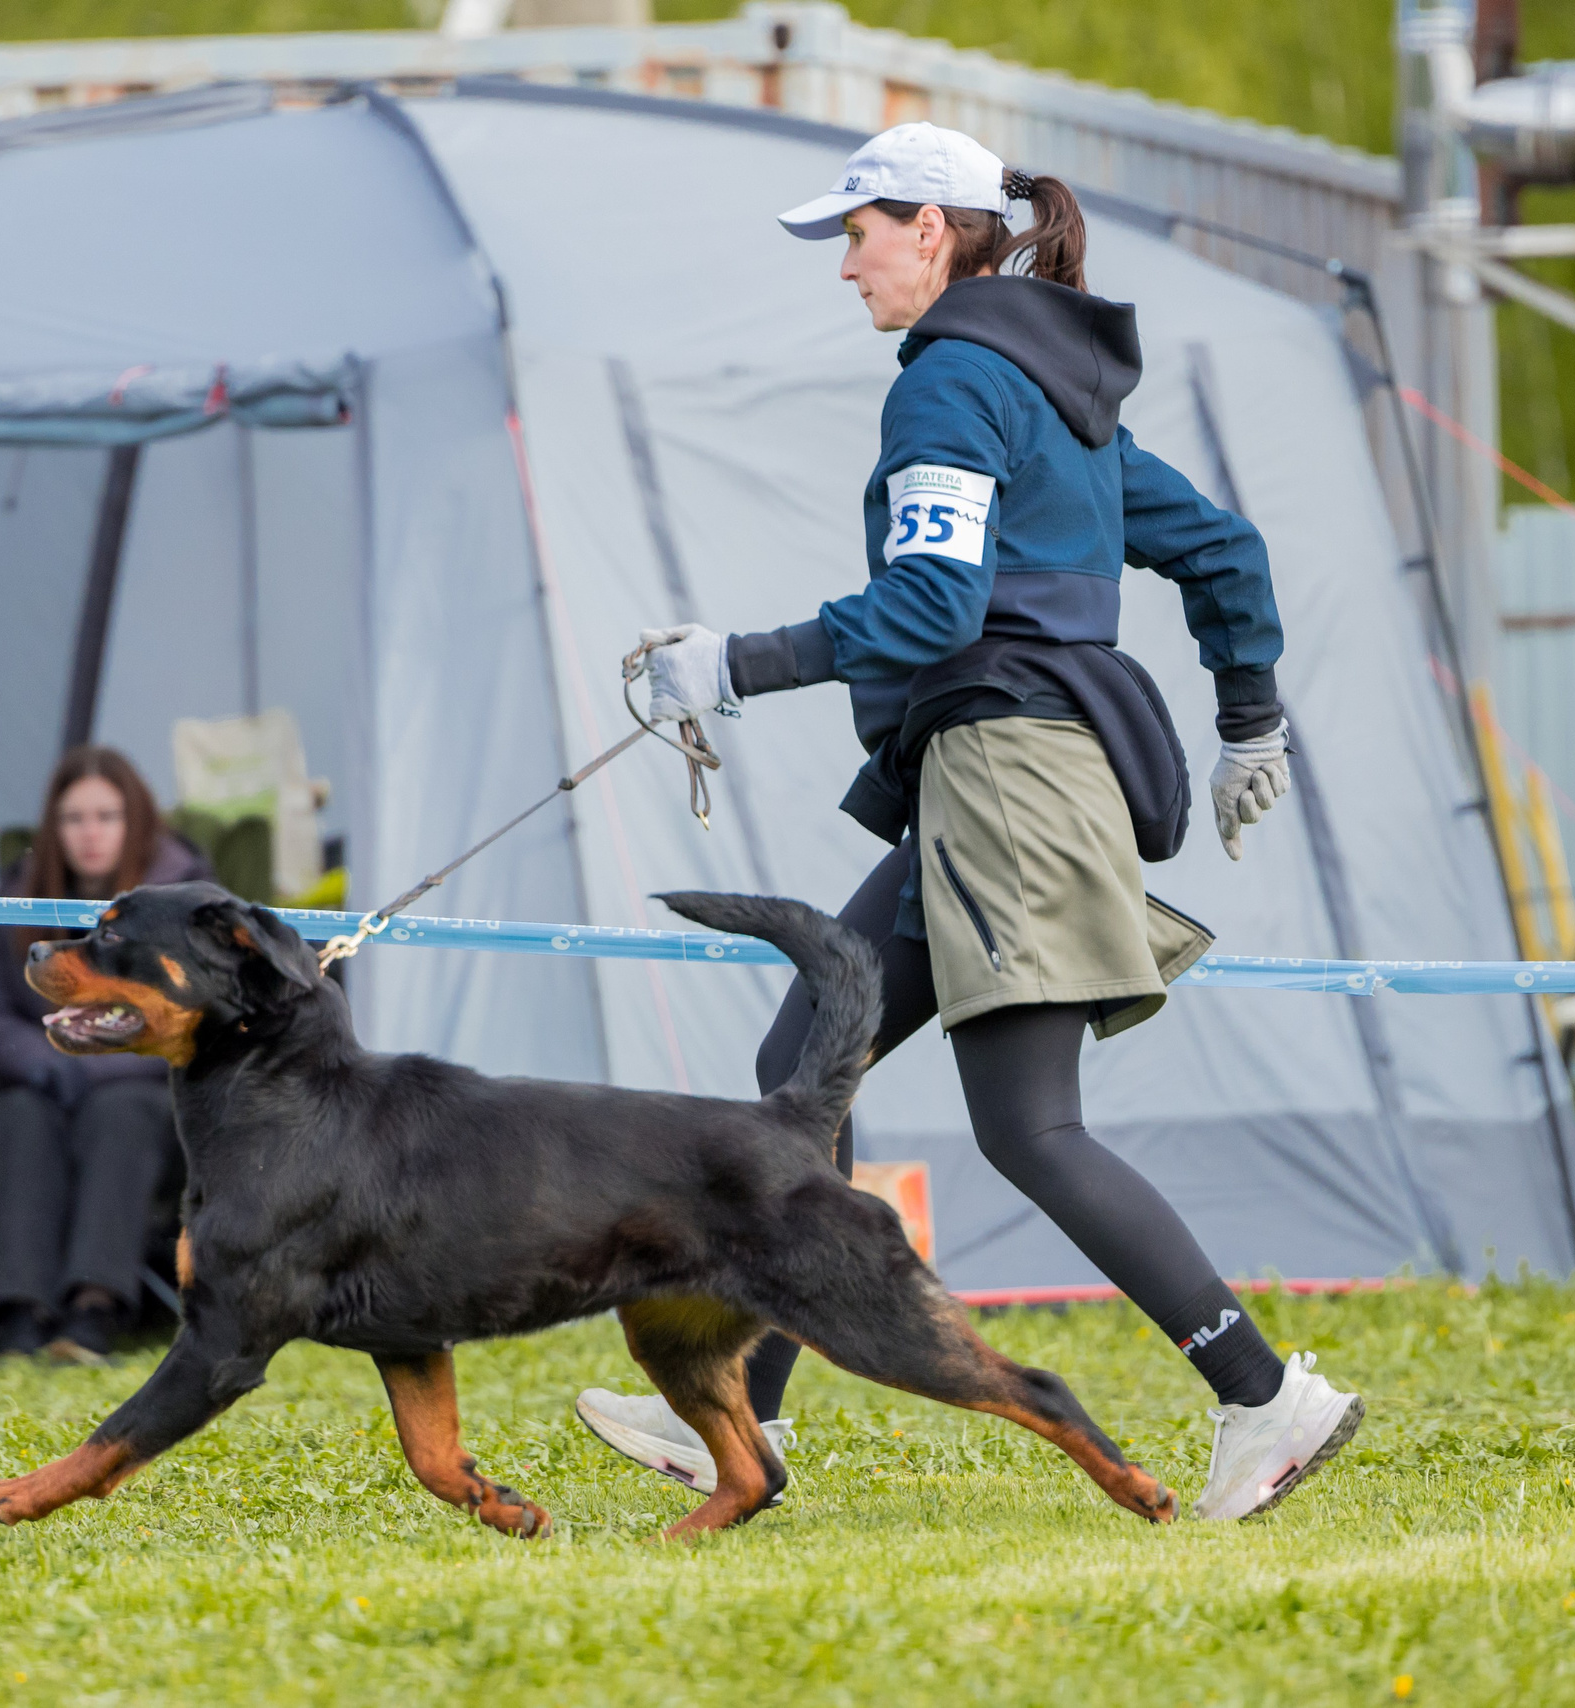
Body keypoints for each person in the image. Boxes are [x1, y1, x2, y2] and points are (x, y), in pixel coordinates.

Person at [578, 123, 1361, 1522]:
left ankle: (1264, 1399)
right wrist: (1249, 714)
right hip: (993, 779)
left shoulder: (951, 379)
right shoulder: (1057, 392)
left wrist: (730, 665)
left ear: (931, 230)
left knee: (1031, 1130)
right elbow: (1224, 554)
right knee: (804, 1061)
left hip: (1007, 777)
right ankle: (735, 1419)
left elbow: (932, 609)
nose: (845, 267)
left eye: (858, 234)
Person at [0, 747, 209, 1359]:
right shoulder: (19, 895)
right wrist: (45, 1060)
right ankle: (19, 1311)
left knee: (120, 1111)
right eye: (74, 819)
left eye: (107, 816)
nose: (90, 834)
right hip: (39, 1072)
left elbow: (197, 1006)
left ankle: (94, 1310)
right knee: (20, 1112)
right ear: (53, 828)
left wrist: (91, 1056)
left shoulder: (185, 895)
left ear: (136, 822)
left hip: (142, 1080)